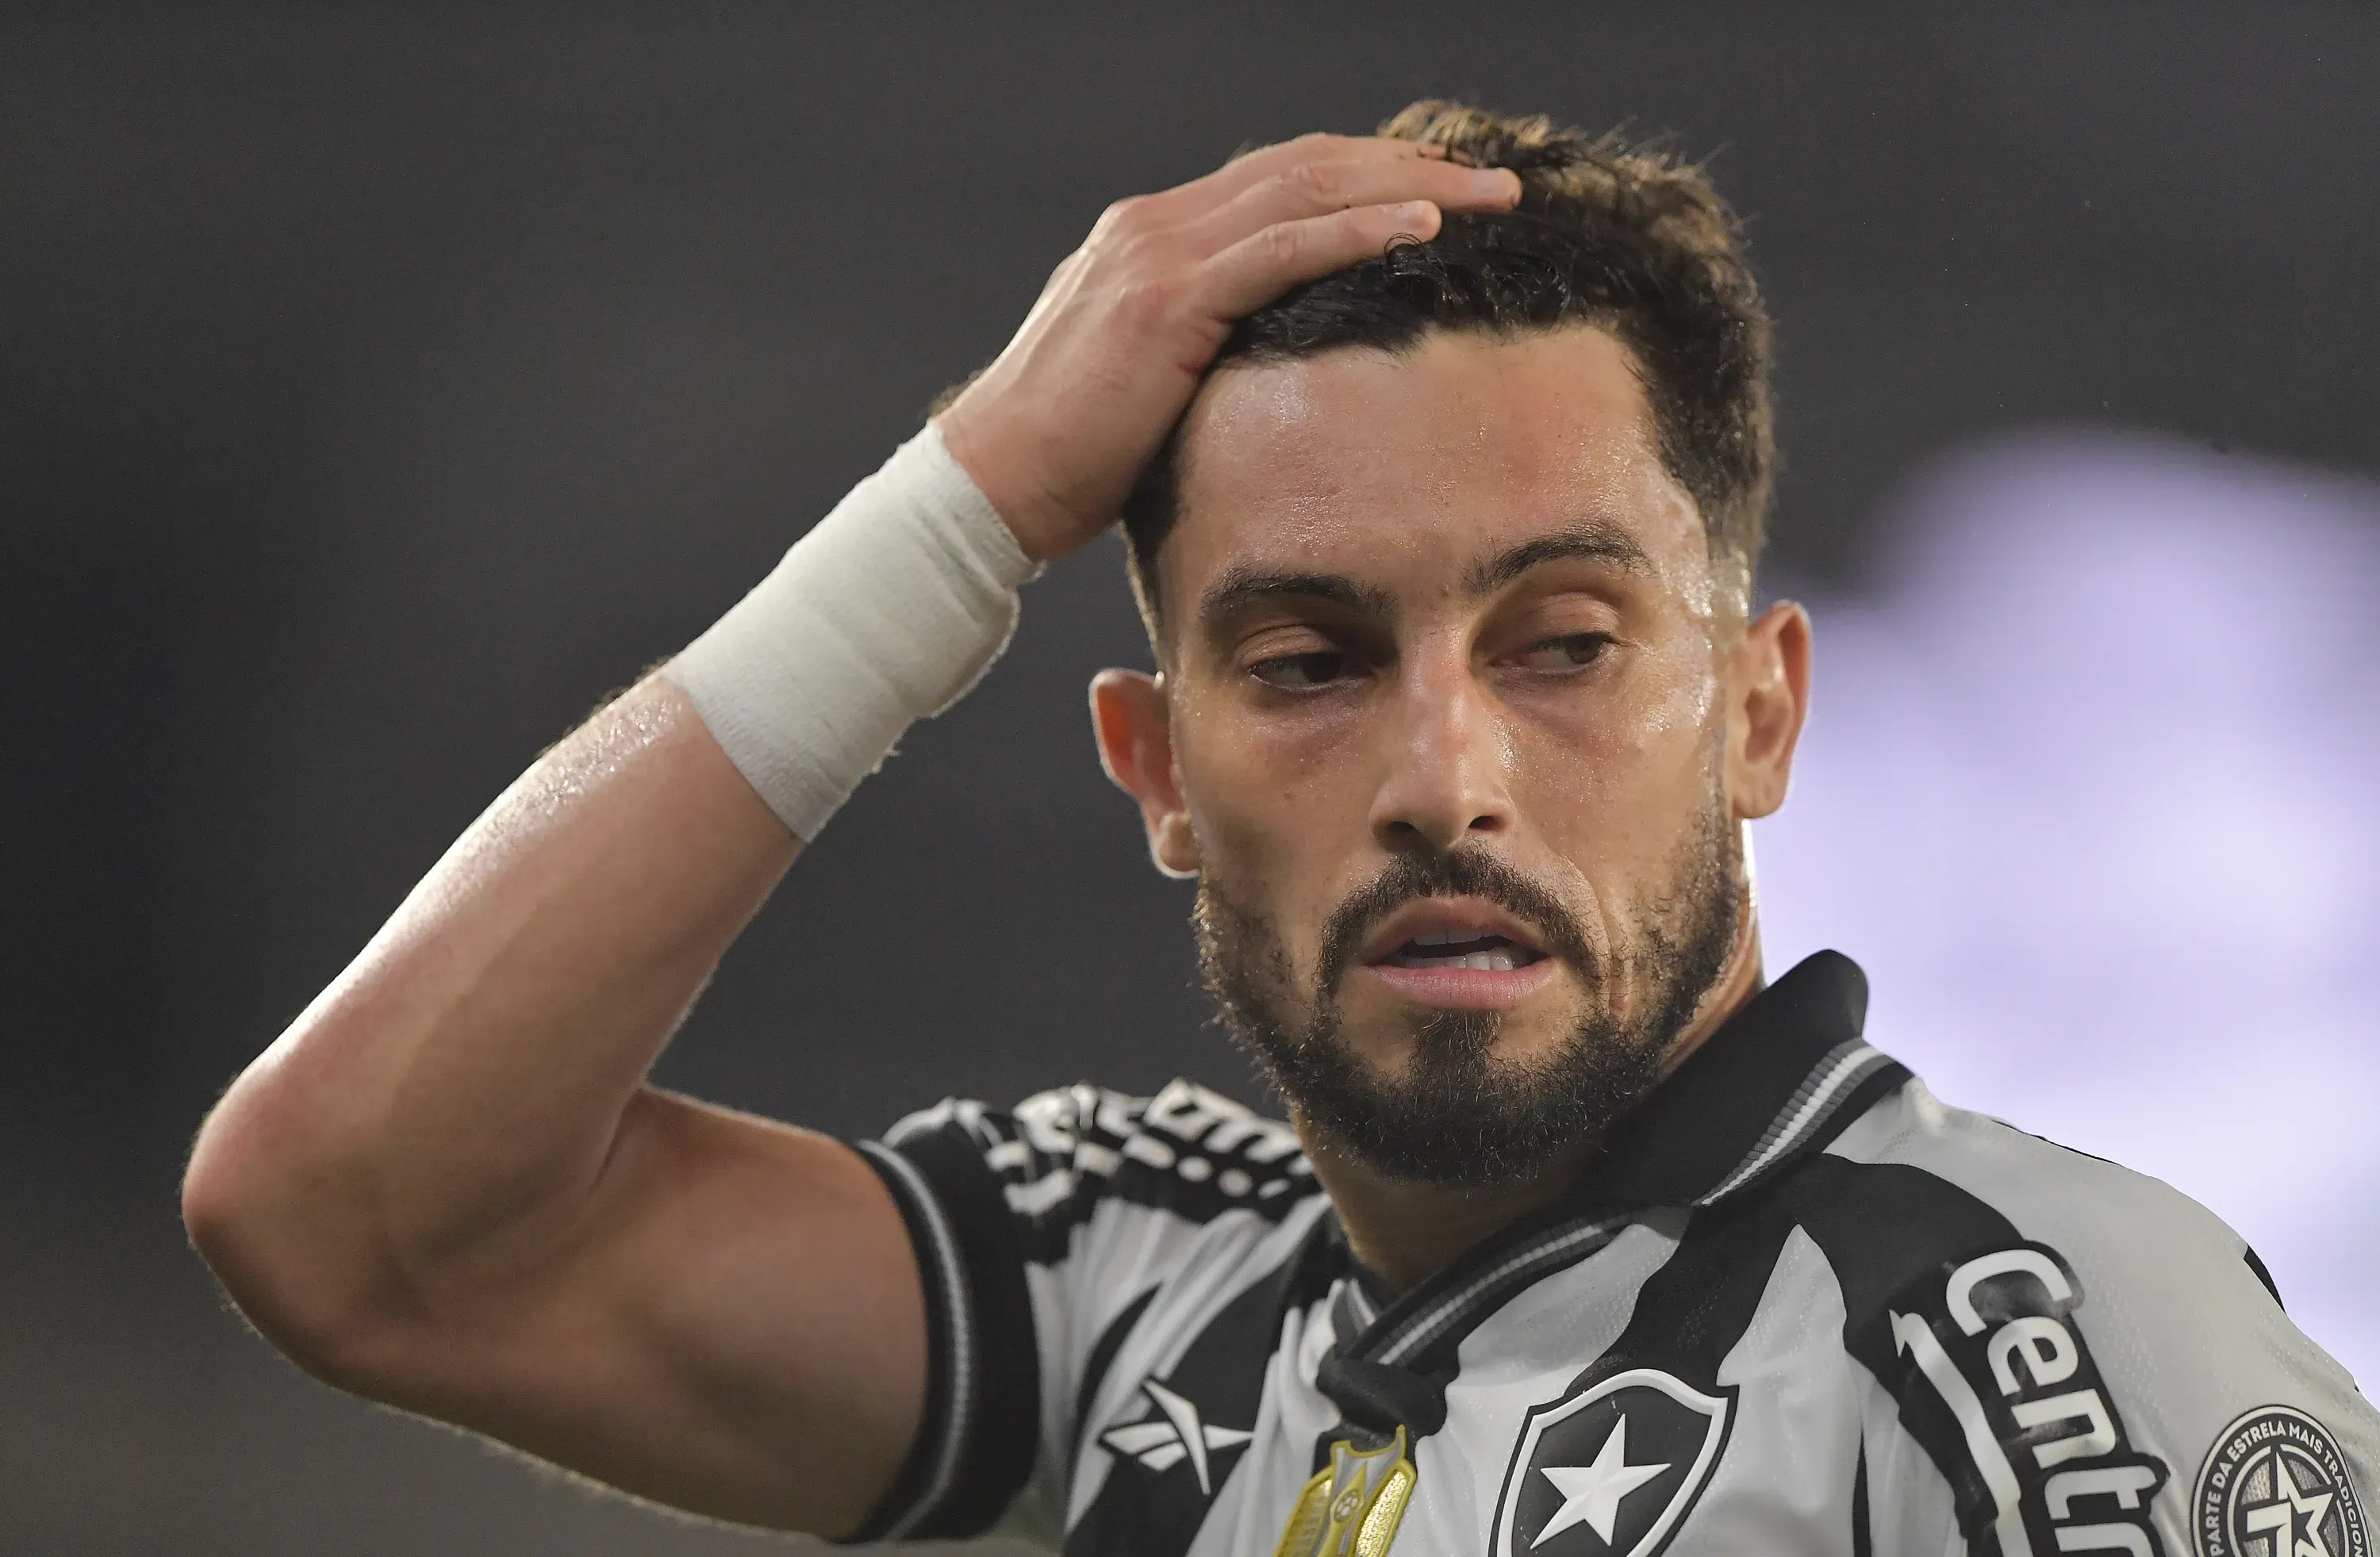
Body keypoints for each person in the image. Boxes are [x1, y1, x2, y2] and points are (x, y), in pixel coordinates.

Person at [182, 102, 2375, 1557]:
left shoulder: (2039, 1347)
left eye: (1567, 642)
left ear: (1763, 716)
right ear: (1156, 769)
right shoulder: (1156, 1300)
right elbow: (368, 1226)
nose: (1444, 773)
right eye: (1313, 659)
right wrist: (955, 522)